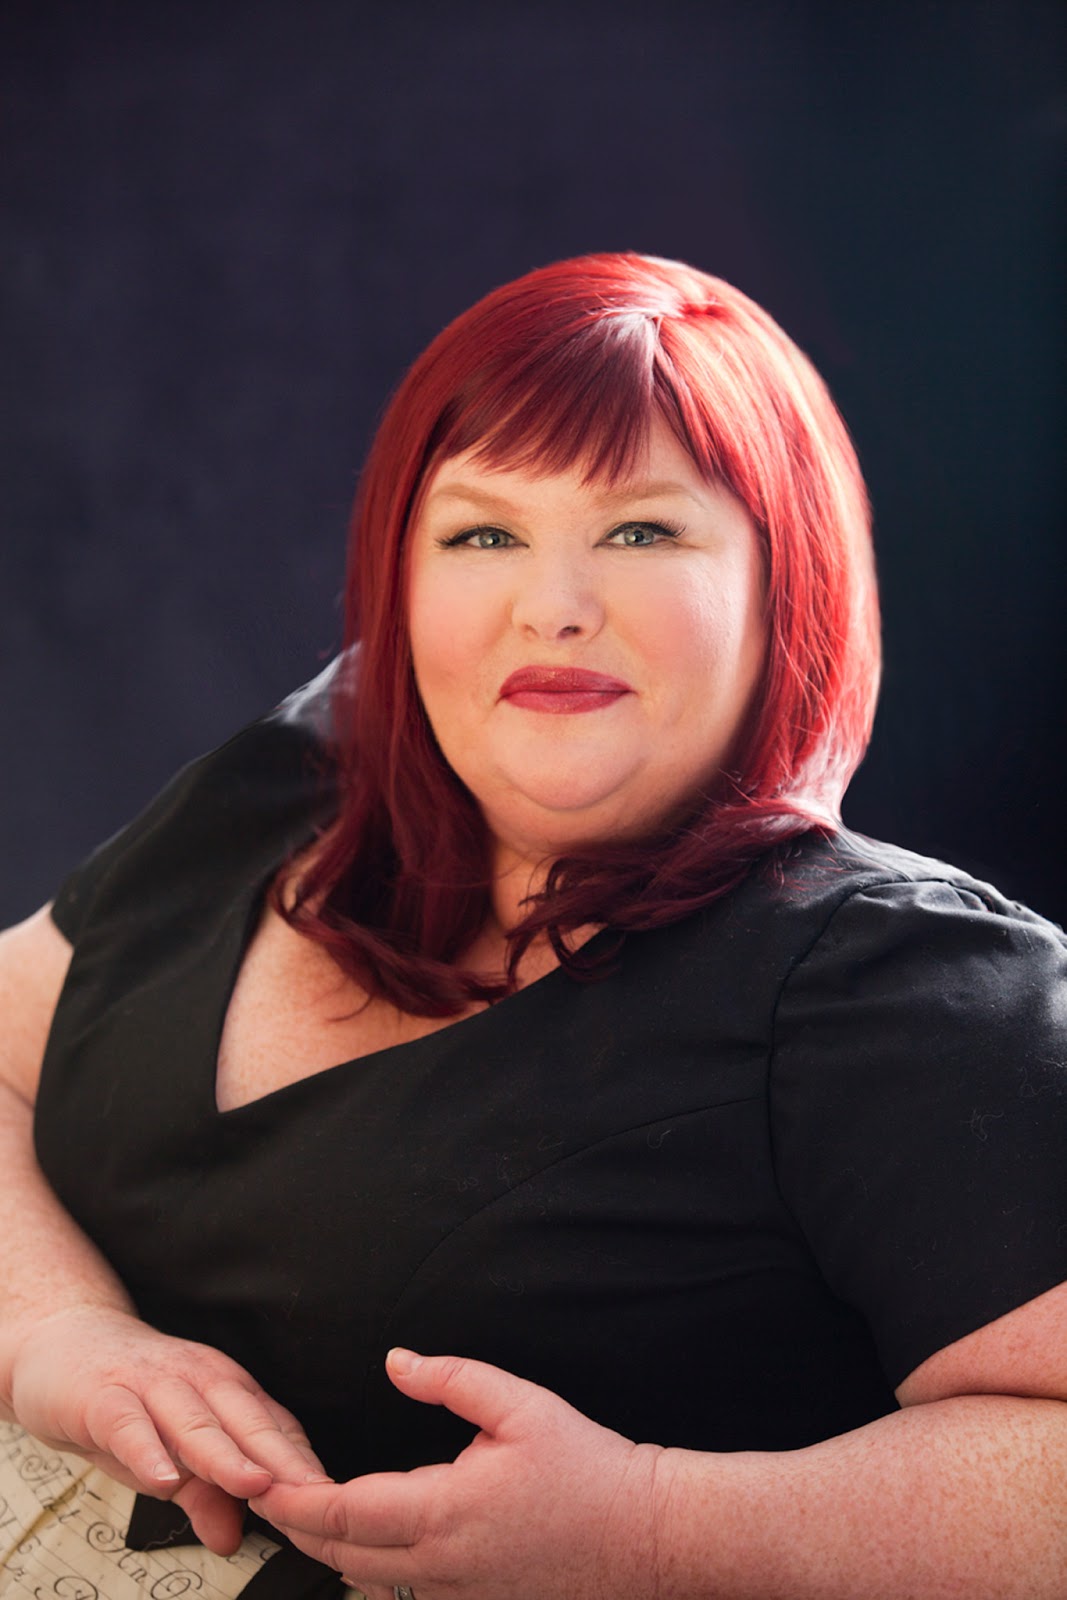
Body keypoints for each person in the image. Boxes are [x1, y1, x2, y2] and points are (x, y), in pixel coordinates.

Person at [0, 252, 1064, 1600]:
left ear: (782, 583)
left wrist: (659, 1526)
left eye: (643, 532)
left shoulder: (904, 980)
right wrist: (56, 1333)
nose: (553, 603)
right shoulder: (295, 784)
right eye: (481, 534)